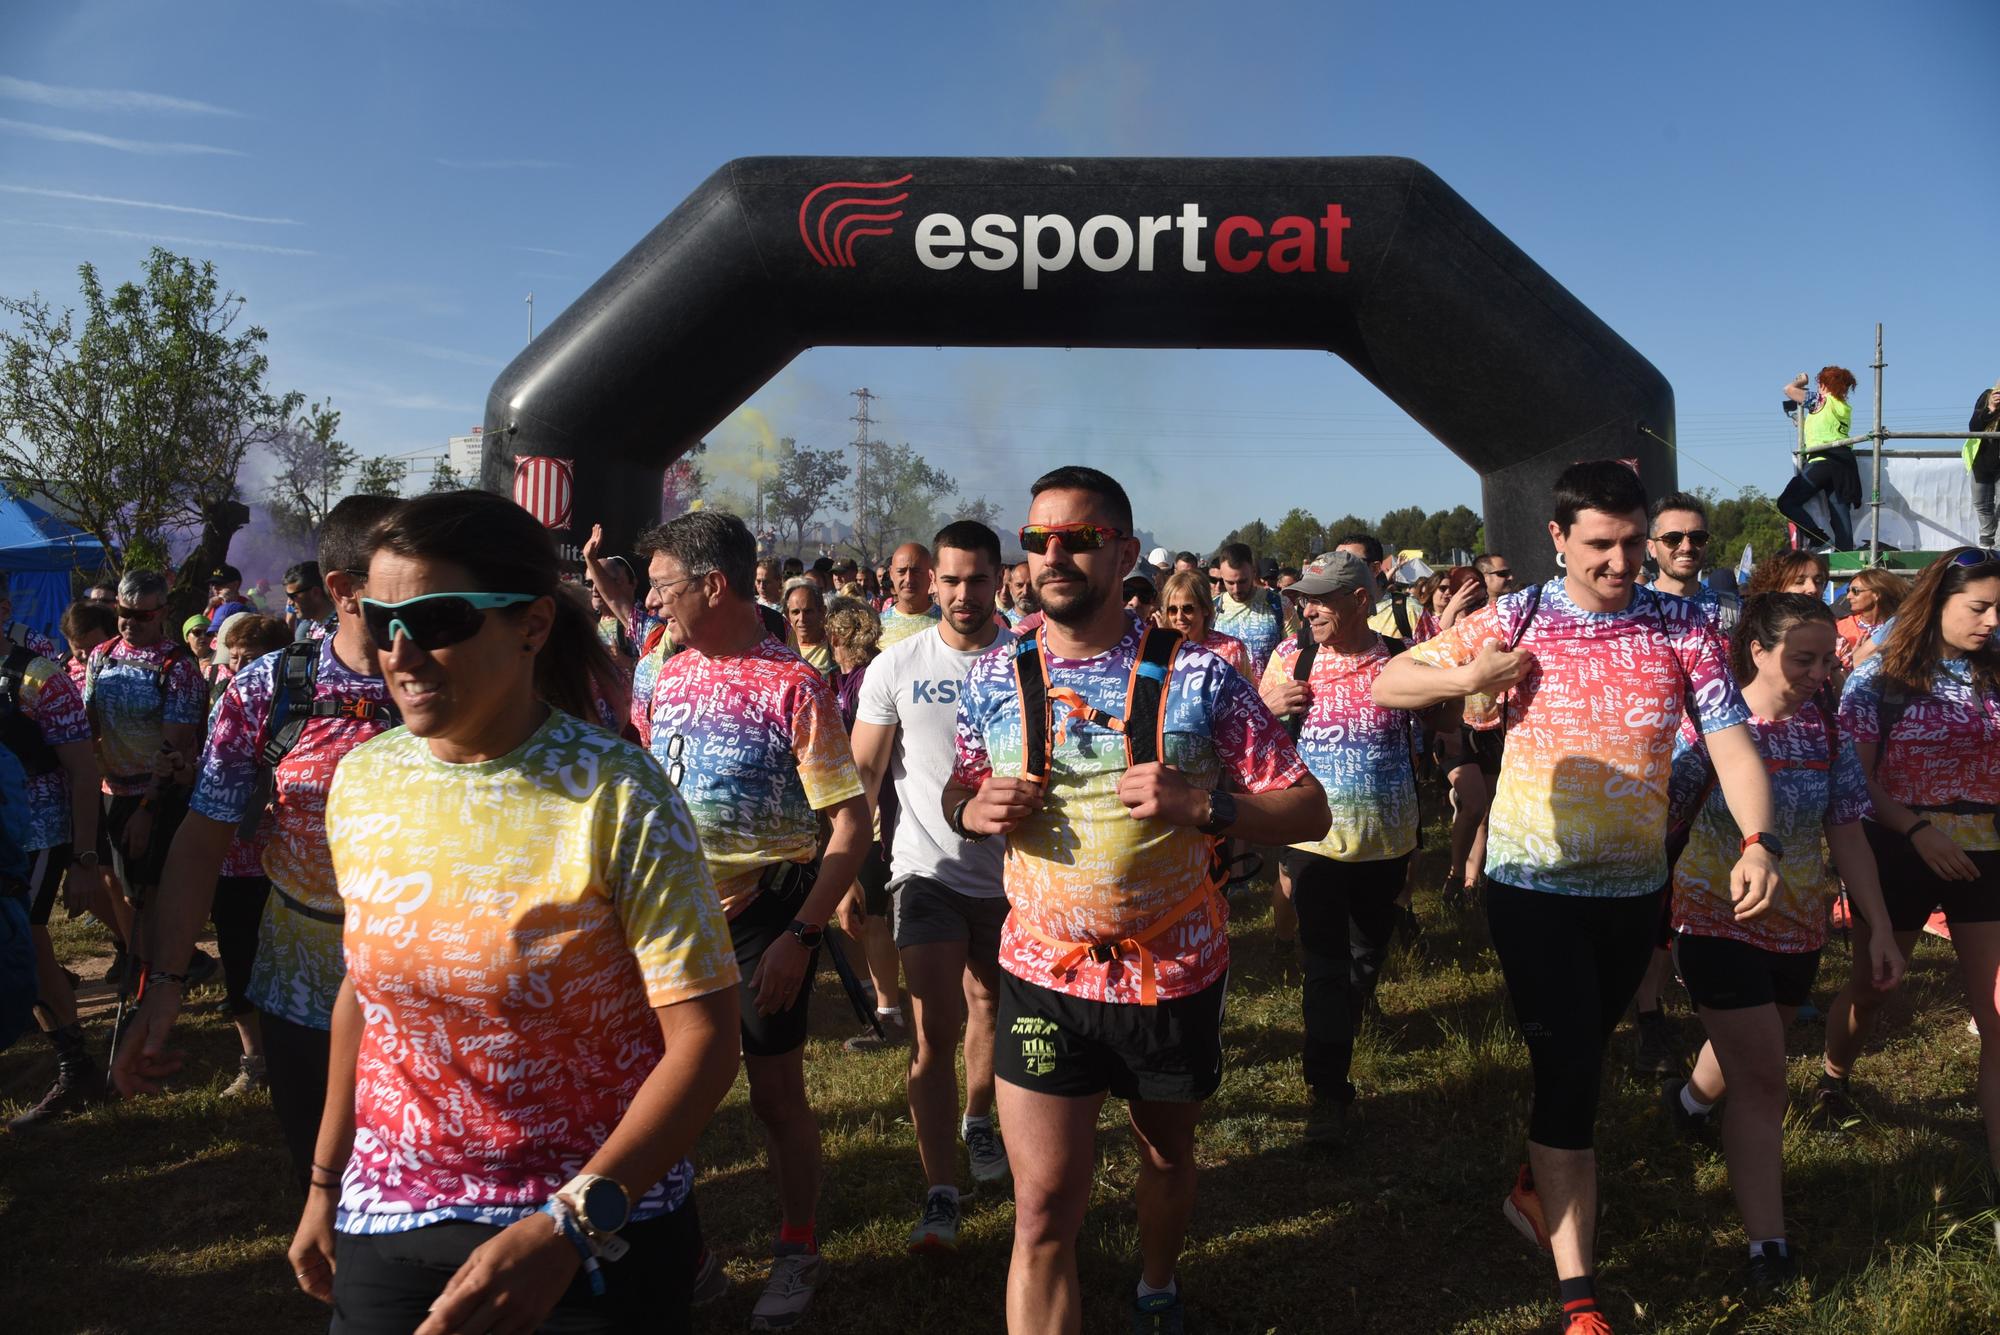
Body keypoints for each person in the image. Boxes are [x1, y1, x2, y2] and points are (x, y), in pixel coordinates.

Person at [282, 488, 741, 1335]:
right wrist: (324, 1181)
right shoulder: (366, 779)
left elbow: (706, 1039)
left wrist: (572, 1222)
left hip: (592, 1226)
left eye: (438, 617)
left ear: (531, 625)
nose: (400, 649)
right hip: (392, 1212)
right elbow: (365, 997)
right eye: (382, 619)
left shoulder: (617, 793)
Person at [1375, 459, 1779, 1335]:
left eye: (1636, 541)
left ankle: (1536, 1188)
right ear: (1557, 538)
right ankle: (1579, 1296)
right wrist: (1472, 677)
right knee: (1567, 1071)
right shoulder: (1515, 616)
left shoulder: (1683, 626)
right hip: (1532, 890)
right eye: (1602, 544)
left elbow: (1733, 745)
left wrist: (1759, 839)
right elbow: (1389, 682)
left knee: (1584, 1056)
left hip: (1636, 890)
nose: (1623, 560)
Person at [945, 465, 1328, 1335]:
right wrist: (970, 807)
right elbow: (959, 782)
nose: (1052, 555)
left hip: (1173, 970)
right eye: (1038, 539)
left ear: (1120, 548)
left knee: (1166, 1153)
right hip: (1042, 972)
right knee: (1041, 1209)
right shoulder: (994, 673)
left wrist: (1209, 805)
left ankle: (1157, 1278)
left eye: (1077, 539)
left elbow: (1308, 807)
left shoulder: (1201, 677)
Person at [112, 495, 403, 1194]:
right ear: (345, 589)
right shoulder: (268, 687)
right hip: (301, 979)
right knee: (323, 1177)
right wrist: (165, 987)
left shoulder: (458, 681)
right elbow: (201, 840)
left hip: (427, 981)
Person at [633, 510, 871, 1331]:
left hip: (764, 915)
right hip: (669, 919)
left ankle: (797, 1246)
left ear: (713, 583)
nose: (654, 601)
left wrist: (801, 936)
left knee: (775, 1097)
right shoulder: (661, 671)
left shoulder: (791, 684)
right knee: (660, 1095)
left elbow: (849, 826)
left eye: (663, 584)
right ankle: (685, 1256)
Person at [1657, 592, 1903, 1289]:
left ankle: (1687, 1103)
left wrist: (1878, 924)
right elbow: (1662, 815)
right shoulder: (1705, 724)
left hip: (1799, 931)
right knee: (1766, 1077)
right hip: (1713, 919)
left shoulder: (1826, 732)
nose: (1821, 671)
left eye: (1828, 658)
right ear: (1757, 650)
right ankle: (1768, 1248)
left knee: (1746, 1048)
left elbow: (1848, 831)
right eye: (1804, 657)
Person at [851, 520, 1015, 1252]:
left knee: (990, 1009)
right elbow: (861, 774)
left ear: (1000, 579)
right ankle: (940, 1192)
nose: (960, 594)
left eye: (975, 580)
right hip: (926, 870)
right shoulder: (895, 663)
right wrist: (853, 866)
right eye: (949, 580)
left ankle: (979, 1119)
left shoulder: (1027, 663)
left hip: (1016, 876)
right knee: (931, 1029)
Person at [1820, 550, 2000, 1198]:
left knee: (1997, 1011)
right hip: (1897, 845)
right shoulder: (1882, 677)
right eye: (1979, 607)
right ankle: (1834, 1076)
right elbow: (1855, 780)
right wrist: (1919, 831)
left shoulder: (1996, 671)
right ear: (1938, 602)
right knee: (1873, 988)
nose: (1992, 620)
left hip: (1986, 852)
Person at [1260, 550, 1425, 1145]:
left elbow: (1450, 727)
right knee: (1325, 965)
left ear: (1359, 600)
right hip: (1314, 841)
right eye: (1303, 597)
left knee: (1365, 956)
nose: (1307, 608)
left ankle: (1343, 1029)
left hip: (1387, 842)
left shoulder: (1405, 661)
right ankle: (1328, 1092)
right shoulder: (1290, 656)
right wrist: (1270, 708)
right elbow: (1252, 740)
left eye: (1320, 598)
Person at [4, 626, 108, 1128]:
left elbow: (84, 771)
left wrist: (84, 859)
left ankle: (77, 1067)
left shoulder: (40, 679)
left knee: (28, 939)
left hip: (36, 833)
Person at [84, 569, 208, 983]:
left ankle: (159, 975)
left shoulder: (179, 666)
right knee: (112, 883)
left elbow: (175, 744)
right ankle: (140, 961)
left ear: (163, 613)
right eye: (123, 612)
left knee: (147, 892)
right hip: (109, 789)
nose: (129, 623)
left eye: (142, 616)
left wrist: (147, 807)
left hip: (157, 792)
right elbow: (89, 725)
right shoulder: (101, 656)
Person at [823, 594, 906, 1055]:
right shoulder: (874, 671)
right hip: (887, 808)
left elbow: (864, 764)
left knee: (873, 918)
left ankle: (889, 1014)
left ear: (837, 636)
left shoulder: (862, 682)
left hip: (877, 812)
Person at [1777, 366, 1862, 550]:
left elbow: (1789, 390)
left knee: (1786, 502)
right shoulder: (1845, 407)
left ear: (1823, 385)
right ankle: (1846, 557)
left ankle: (1817, 536)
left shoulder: (1820, 400)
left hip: (1822, 460)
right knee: (1840, 514)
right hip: (1845, 463)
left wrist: (1801, 382)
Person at [1156, 571, 1252, 678]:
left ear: (1205, 608)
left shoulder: (1232, 649)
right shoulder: (1160, 651)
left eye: (1188, 609)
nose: (1179, 617)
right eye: (1172, 610)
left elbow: (1246, 693)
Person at [1212, 541, 1284, 676]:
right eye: (1230, 583)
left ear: (1254, 572)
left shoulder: (1279, 604)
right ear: (1222, 575)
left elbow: (1294, 653)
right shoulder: (1211, 608)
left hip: (1269, 695)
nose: (1237, 589)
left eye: (1242, 581)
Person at [1835, 568, 1905, 667]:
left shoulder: (1898, 628)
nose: (1848, 596)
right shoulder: (1841, 627)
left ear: (1877, 594)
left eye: (1855, 591)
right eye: (1848, 590)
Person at [881, 542, 943, 648]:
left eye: (917, 572)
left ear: (931, 574)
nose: (909, 579)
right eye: (901, 571)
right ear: (891, 574)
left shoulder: (947, 621)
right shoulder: (877, 626)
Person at [782, 577, 834, 677]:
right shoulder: (780, 646)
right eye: (795, 612)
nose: (802, 618)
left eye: (808, 611)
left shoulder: (835, 645)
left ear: (822, 612)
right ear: (787, 615)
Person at [1970, 379, 2000, 549]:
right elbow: (1973, 427)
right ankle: (1986, 543)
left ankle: (1998, 548)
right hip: (1982, 460)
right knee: (1982, 504)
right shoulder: (1987, 396)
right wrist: (1991, 409)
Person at [284, 562, 337, 641]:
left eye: (293, 596)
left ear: (315, 592)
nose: (290, 603)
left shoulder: (341, 630)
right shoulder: (313, 627)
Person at [1746, 550, 1830, 600]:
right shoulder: (1758, 628)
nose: (1813, 589)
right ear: (1774, 587)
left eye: (1818, 581)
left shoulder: (1830, 626)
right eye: (1799, 582)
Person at [205, 563, 251, 634]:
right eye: (212, 584)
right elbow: (204, 631)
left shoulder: (247, 604)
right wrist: (208, 609)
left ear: (236, 584)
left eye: (220, 583)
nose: (214, 588)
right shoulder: (213, 605)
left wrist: (228, 604)